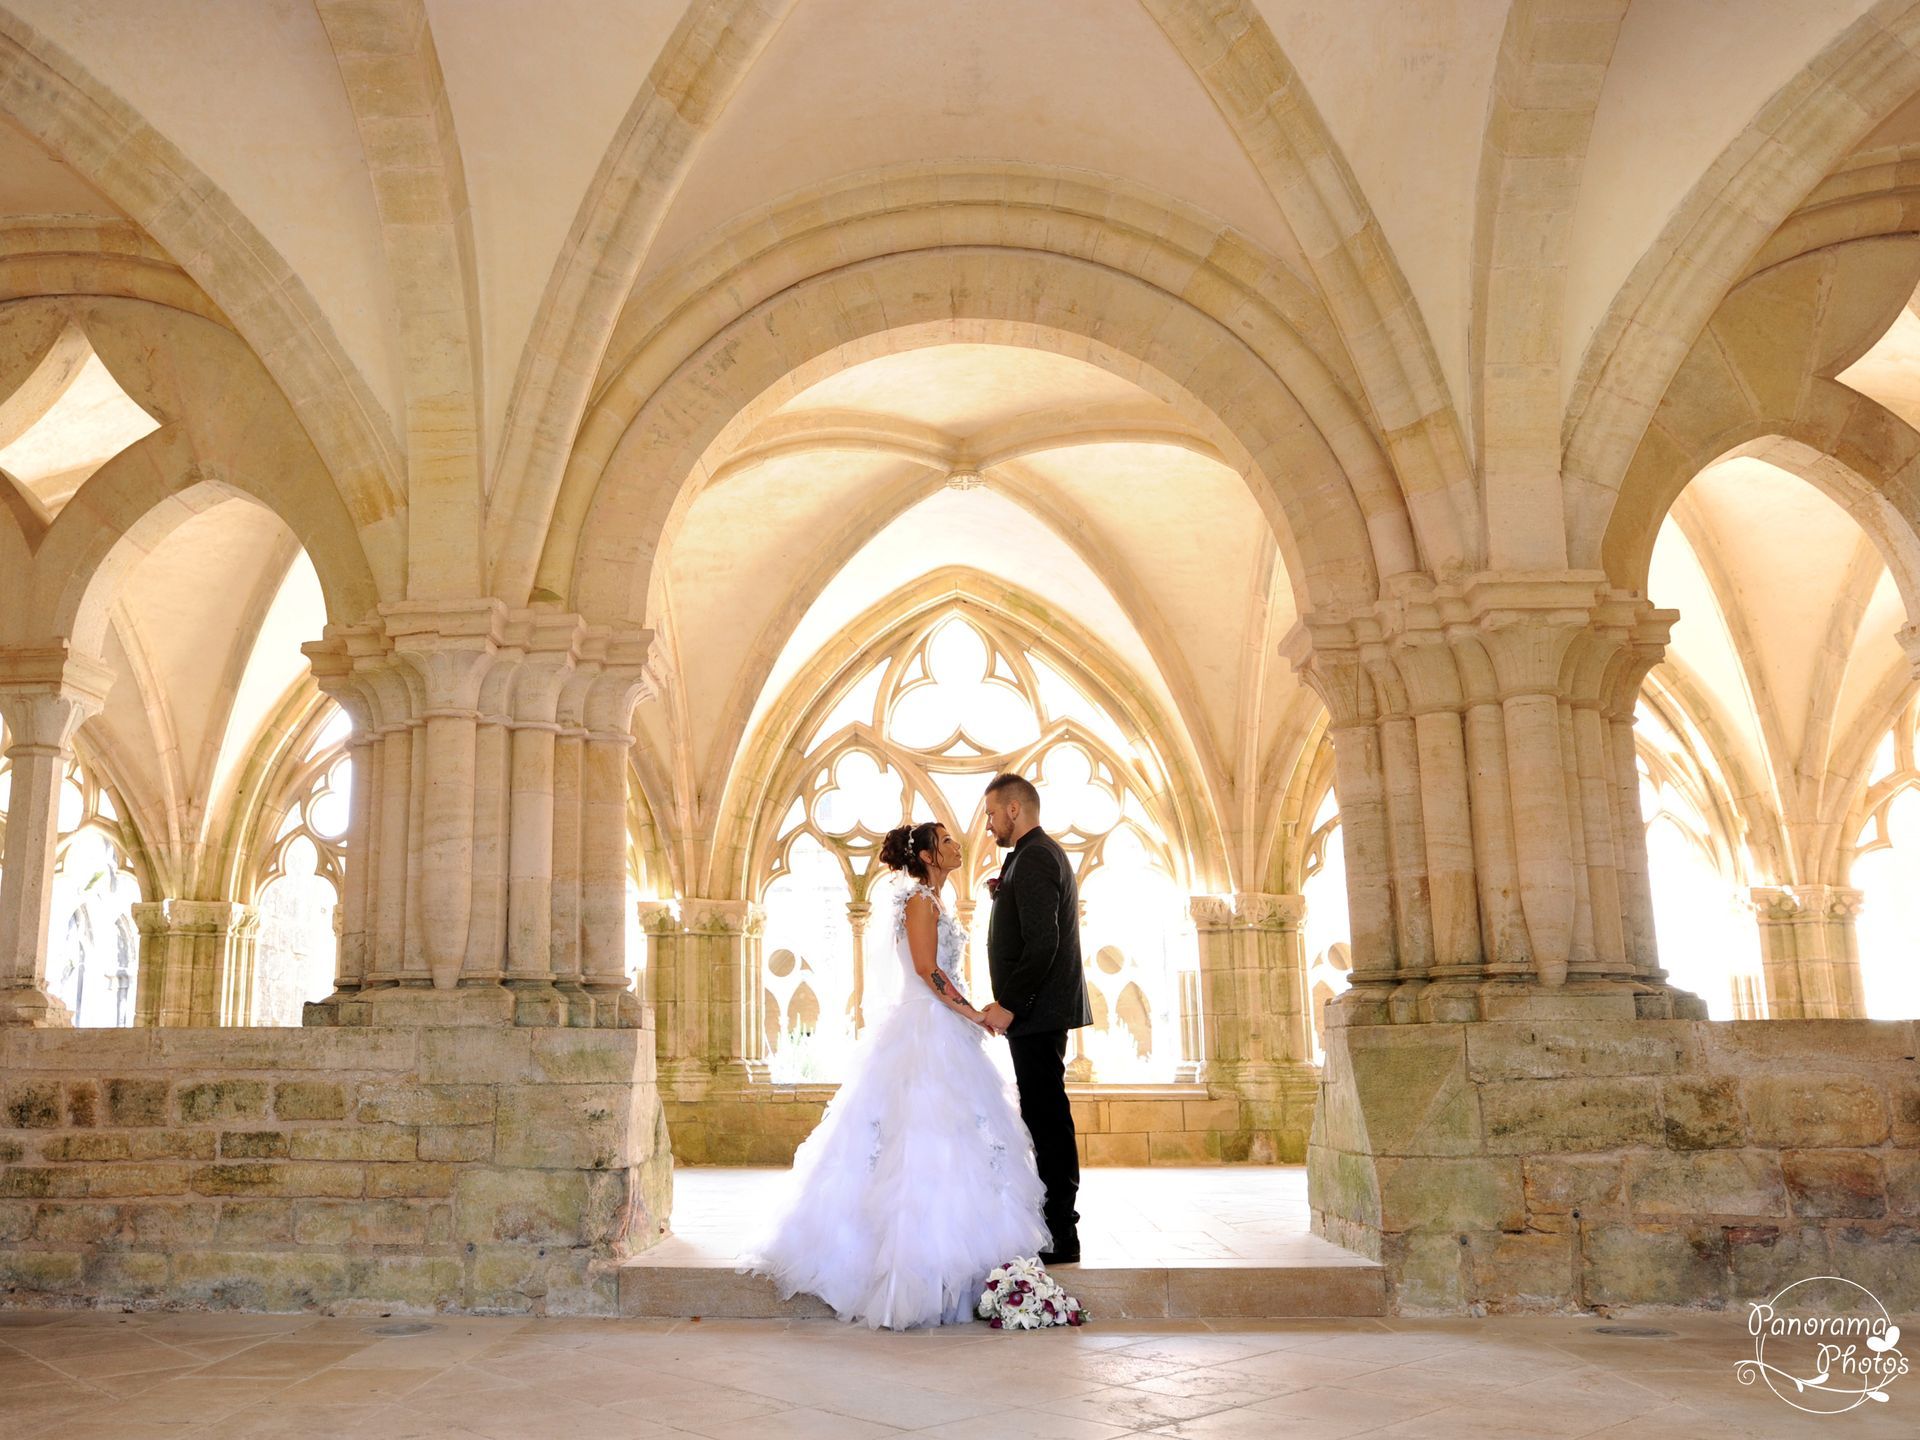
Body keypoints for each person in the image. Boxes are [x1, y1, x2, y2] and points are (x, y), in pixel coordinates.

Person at [738, 820, 1047, 1328]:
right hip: (925, 1029)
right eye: (945, 841)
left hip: (943, 1028)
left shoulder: (934, 900)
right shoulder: (919, 901)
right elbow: (927, 970)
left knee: (960, 1140)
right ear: (926, 855)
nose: (956, 845)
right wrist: (973, 1013)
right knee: (911, 1144)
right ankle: (906, 1274)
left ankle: (961, 1266)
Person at [978, 772, 1093, 1265]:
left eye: (991, 814)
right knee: (1042, 1115)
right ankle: (1052, 1224)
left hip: (1038, 1012)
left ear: (1014, 809)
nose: (988, 825)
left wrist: (1010, 1004)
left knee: (1047, 1119)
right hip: (1038, 1012)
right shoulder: (1031, 856)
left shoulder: (1037, 857)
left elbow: (1044, 943)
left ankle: (1062, 1231)